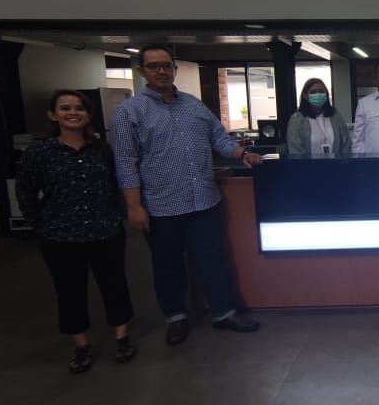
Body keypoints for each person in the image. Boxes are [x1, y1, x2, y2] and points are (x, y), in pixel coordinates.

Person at [109, 44, 265, 347]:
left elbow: (219, 139)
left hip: (204, 200)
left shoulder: (194, 105)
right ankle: (176, 317)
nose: (162, 71)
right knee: (168, 265)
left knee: (213, 259)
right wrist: (133, 206)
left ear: (175, 69)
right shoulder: (129, 112)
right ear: (141, 71)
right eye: (154, 66)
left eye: (166, 65)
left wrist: (243, 154)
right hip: (161, 205)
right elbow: (125, 162)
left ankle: (224, 312)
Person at [16, 90, 136, 374]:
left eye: (79, 108)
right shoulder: (40, 152)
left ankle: (122, 338)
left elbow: (116, 184)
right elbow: (26, 191)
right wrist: (39, 224)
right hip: (60, 236)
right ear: (53, 115)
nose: (73, 112)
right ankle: (81, 346)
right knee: (69, 292)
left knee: (115, 285)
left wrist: (120, 214)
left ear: (88, 114)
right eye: (65, 108)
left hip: (105, 232)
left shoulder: (102, 150)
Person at [286, 78, 352, 156]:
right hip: (308, 163)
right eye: (313, 92)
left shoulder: (336, 116)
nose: (318, 94)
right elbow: (295, 150)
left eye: (321, 91)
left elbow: (346, 145)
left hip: (336, 163)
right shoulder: (297, 119)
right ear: (305, 96)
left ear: (326, 94)